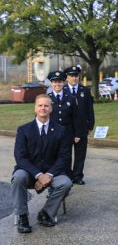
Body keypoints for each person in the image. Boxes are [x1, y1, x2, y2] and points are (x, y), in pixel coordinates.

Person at [11, 94, 73, 233]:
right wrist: (39, 175)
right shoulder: (24, 130)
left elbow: (64, 156)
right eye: (40, 105)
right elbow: (20, 157)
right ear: (35, 108)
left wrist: (49, 175)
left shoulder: (61, 130)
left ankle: (46, 213)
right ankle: (22, 217)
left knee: (66, 182)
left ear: (51, 108)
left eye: (46, 105)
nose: (43, 108)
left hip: (53, 172)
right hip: (29, 172)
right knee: (18, 177)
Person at [63, 65, 94, 185]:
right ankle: (67, 175)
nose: (74, 78)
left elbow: (90, 109)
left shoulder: (85, 91)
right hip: (67, 128)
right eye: (72, 76)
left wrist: (90, 125)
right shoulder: (63, 90)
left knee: (80, 154)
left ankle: (78, 176)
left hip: (82, 128)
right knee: (66, 154)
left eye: (76, 76)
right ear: (67, 78)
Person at [47, 71, 80, 179]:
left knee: (66, 157)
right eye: (55, 82)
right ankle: (53, 183)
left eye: (60, 82)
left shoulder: (70, 98)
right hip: (51, 134)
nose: (57, 84)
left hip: (67, 134)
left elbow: (76, 118)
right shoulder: (47, 98)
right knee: (52, 157)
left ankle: (67, 181)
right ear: (51, 83)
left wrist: (77, 134)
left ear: (63, 82)